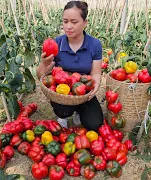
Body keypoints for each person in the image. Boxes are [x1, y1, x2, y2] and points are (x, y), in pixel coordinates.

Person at [37, 1, 103, 131]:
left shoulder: (95, 44)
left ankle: (79, 110)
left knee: (94, 124)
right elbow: (41, 76)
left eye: (74, 22)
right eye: (65, 21)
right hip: (63, 91)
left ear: (85, 23)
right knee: (63, 110)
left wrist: (96, 84)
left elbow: (95, 73)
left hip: (83, 89)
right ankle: (63, 116)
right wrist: (44, 64)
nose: (68, 26)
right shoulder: (57, 43)